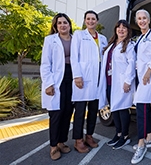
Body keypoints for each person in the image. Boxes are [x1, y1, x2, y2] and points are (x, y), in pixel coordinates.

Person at [70, 10, 108, 153]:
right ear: (85, 21)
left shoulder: (103, 38)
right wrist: (77, 75)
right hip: (83, 78)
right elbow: (74, 57)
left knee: (93, 110)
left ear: (97, 21)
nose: (91, 21)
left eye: (93, 19)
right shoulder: (79, 35)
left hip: (98, 78)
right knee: (80, 110)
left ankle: (89, 136)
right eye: (88, 19)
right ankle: (78, 140)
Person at [131, 9, 151, 164]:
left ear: (149, 20)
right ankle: (150, 137)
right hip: (141, 77)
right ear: (137, 21)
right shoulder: (139, 38)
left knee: (141, 109)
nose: (142, 21)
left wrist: (148, 72)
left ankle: (141, 143)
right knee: (145, 108)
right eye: (139, 19)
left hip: (148, 76)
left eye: (144, 18)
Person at [40, 13, 74, 160]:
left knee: (67, 112)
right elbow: (45, 63)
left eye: (65, 22)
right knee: (56, 114)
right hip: (56, 79)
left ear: (69, 24)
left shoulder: (75, 39)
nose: (62, 25)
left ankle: (61, 142)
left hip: (72, 77)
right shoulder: (50, 40)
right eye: (59, 23)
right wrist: (48, 84)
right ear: (55, 26)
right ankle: (53, 146)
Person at [98, 20, 136, 150]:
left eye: (124, 28)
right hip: (110, 82)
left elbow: (131, 64)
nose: (121, 30)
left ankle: (125, 136)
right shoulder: (111, 45)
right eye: (118, 27)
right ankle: (118, 133)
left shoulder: (129, 45)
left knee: (123, 109)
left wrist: (127, 81)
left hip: (122, 83)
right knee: (114, 109)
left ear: (127, 30)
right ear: (115, 29)